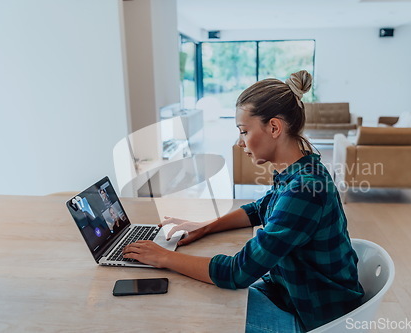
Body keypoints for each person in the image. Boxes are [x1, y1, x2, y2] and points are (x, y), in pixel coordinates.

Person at [123, 70, 364, 332]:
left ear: (274, 127)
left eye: (244, 131)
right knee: (199, 292)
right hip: (290, 291)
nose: (240, 143)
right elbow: (257, 210)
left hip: (312, 315)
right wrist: (204, 226)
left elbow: (238, 271)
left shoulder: (305, 188)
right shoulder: (300, 170)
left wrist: (163, 257)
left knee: (195, 308)